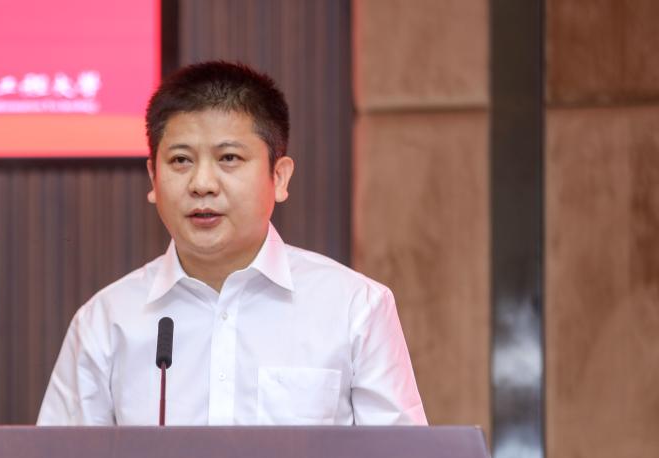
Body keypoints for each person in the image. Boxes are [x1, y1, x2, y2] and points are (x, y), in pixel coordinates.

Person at [38, 61, 426, 426]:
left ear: (279, 177)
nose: (202, 184)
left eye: (228, 158)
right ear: (153, 178)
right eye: (180, 161)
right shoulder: (106, 322)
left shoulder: (355, 308)